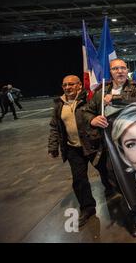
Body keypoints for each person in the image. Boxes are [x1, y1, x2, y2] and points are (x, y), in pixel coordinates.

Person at [84, 58, 136, 237]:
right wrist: (92, 119)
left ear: (127, 70)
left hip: (134, 145)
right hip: (110, 148)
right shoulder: (100, 91)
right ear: (110, 72)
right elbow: (87, 111)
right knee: (116, 182)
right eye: (115, 69)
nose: (120, 71)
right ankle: (131, 206)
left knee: (134, 180)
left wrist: (116, 98)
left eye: (122, 68)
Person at [48, 75, 114, 227]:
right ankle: (87, 208)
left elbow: (102, 114)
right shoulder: (59, 104)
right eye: (64, 85)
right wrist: (53, 146)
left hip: (93, 144)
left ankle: (112, 192)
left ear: (79, 85)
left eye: (71, 84)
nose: (67, 87)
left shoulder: (89, 99)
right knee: (79, 180)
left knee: (106, 171)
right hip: (73, 148)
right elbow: (54, 127)